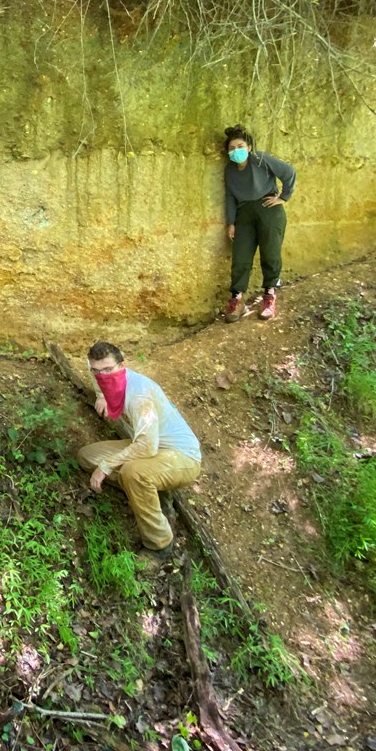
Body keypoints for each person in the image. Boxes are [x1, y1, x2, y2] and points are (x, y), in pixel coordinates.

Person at [78, 342, 201, 554]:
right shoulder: (102, 375)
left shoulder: (138, 396)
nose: (102, 375)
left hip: (182, 457)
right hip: (149, 445)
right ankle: (147, 492)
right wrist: (100, 396)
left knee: (133, 473)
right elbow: (96, 375)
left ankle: (160, 544)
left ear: (122, 365)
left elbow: (147, 446)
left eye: (108, 369)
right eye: (96, 371)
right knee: (87, 457)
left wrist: (107, 466)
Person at [222, 125, 296, 322]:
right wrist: (231, 222)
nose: (236, 150)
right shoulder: (229, 171)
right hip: (244, 214)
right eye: (231, 148)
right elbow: (230, 196)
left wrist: (283, 197)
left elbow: (288, 172)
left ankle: (269, 296)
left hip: (269, 210)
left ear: (249, 147)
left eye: (240, 146)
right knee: (240, 256)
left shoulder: (259, 159)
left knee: (270, 253)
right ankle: (237, 299)